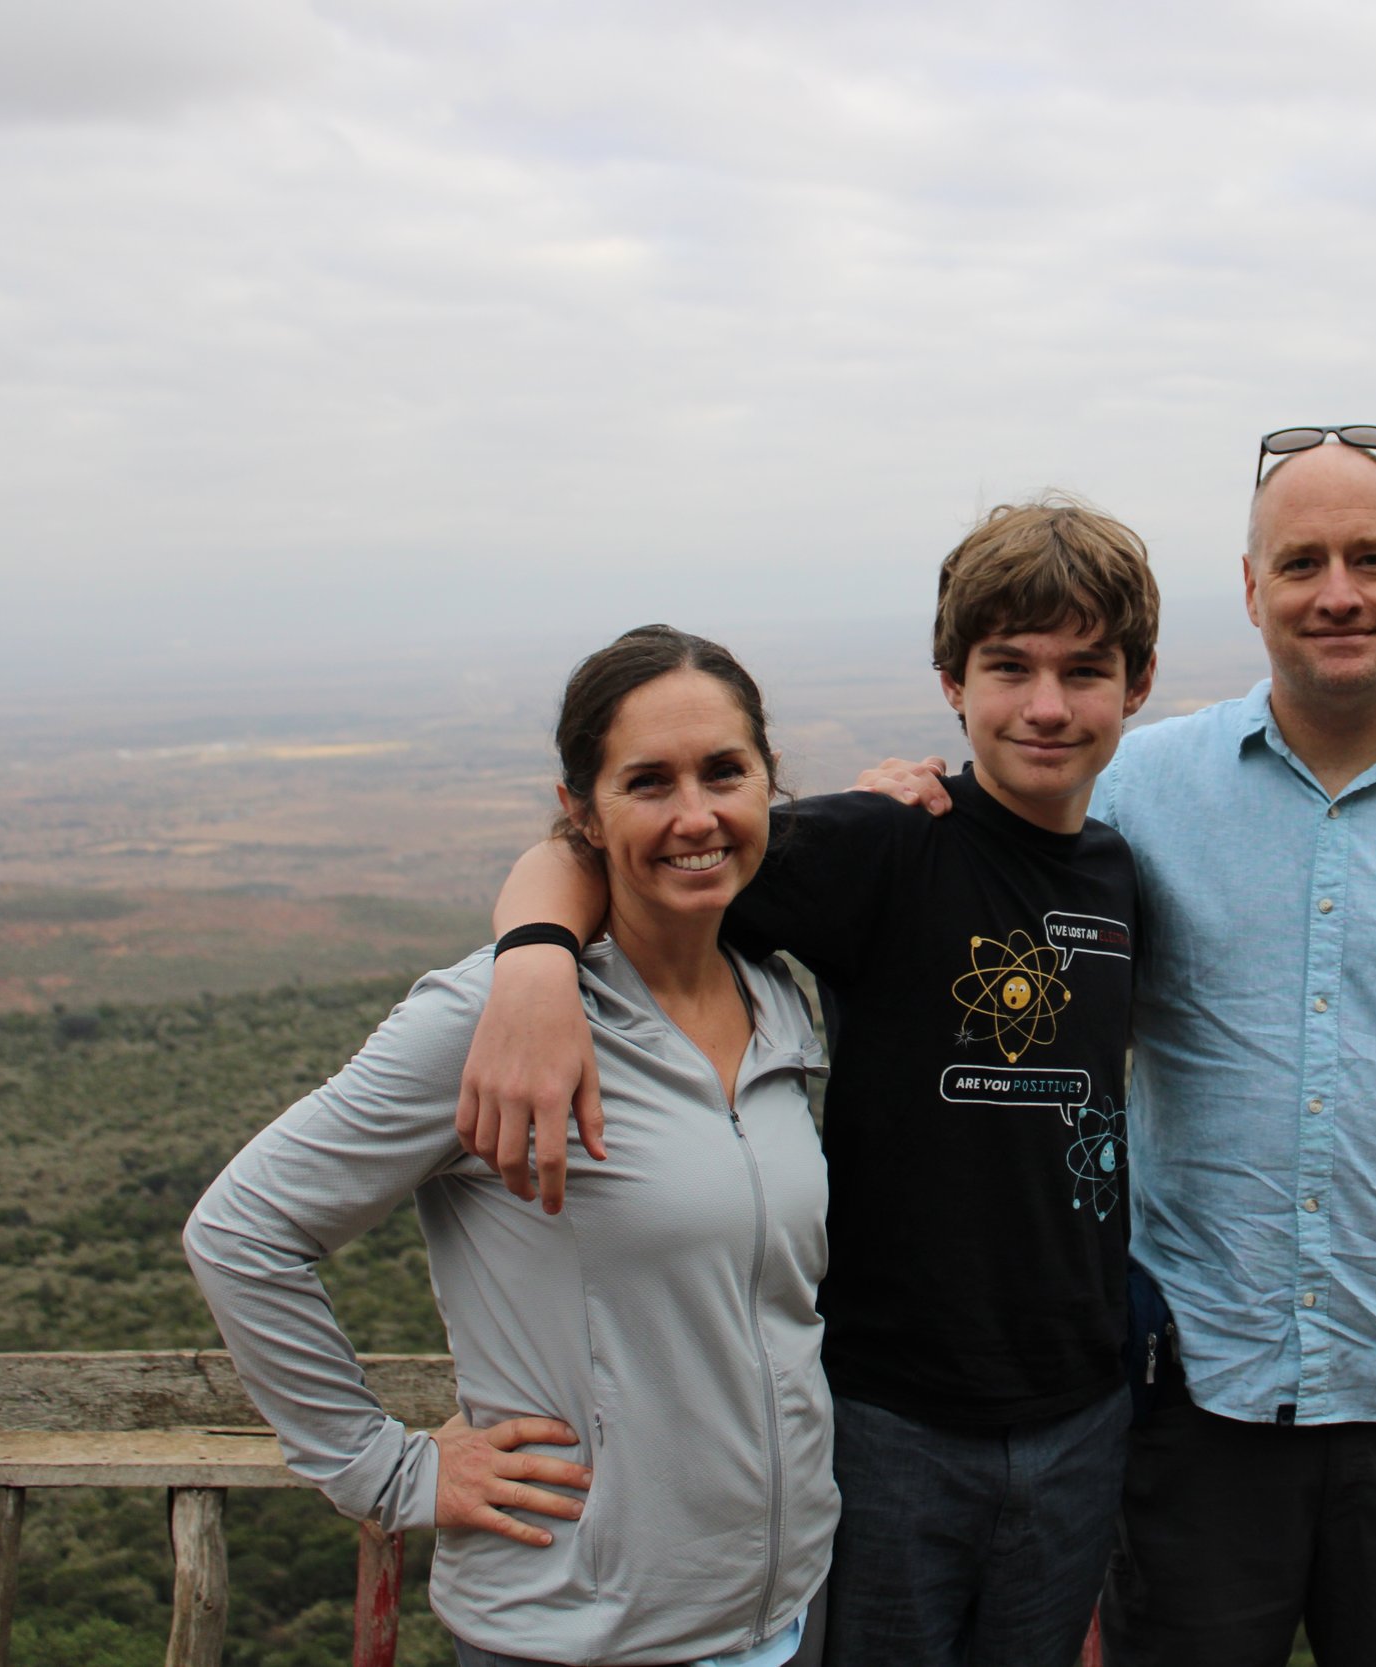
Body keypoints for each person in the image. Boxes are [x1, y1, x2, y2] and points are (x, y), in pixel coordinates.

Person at [865, 429, 1376, 1667]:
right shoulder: (1135, 785)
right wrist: (896, 813)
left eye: (1369, 558)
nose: (1338, 591)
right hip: (1193, 1397)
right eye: (1302, 560)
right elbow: (976, 840)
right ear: (1252, 586)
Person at [460, 498, 1160, 1667]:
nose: (1046, 703)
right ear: (952, 679)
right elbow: (611, 843)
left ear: (1134, 685)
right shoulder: (885, 842)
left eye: (1085, 670)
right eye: (1010, 666)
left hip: (1081, 1414)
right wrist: (532, 958)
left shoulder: (1119, 874)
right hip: (891, 1419)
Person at [186, 626, 835, 1667]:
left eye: (725, 771)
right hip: (574, 1630)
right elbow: (242, 1231)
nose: (696, 815)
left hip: (782, 1614)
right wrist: (384, 1469)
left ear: (769, 782)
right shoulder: (497, 1016)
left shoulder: (777, 1001)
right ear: (580, 808)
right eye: (647, 782)